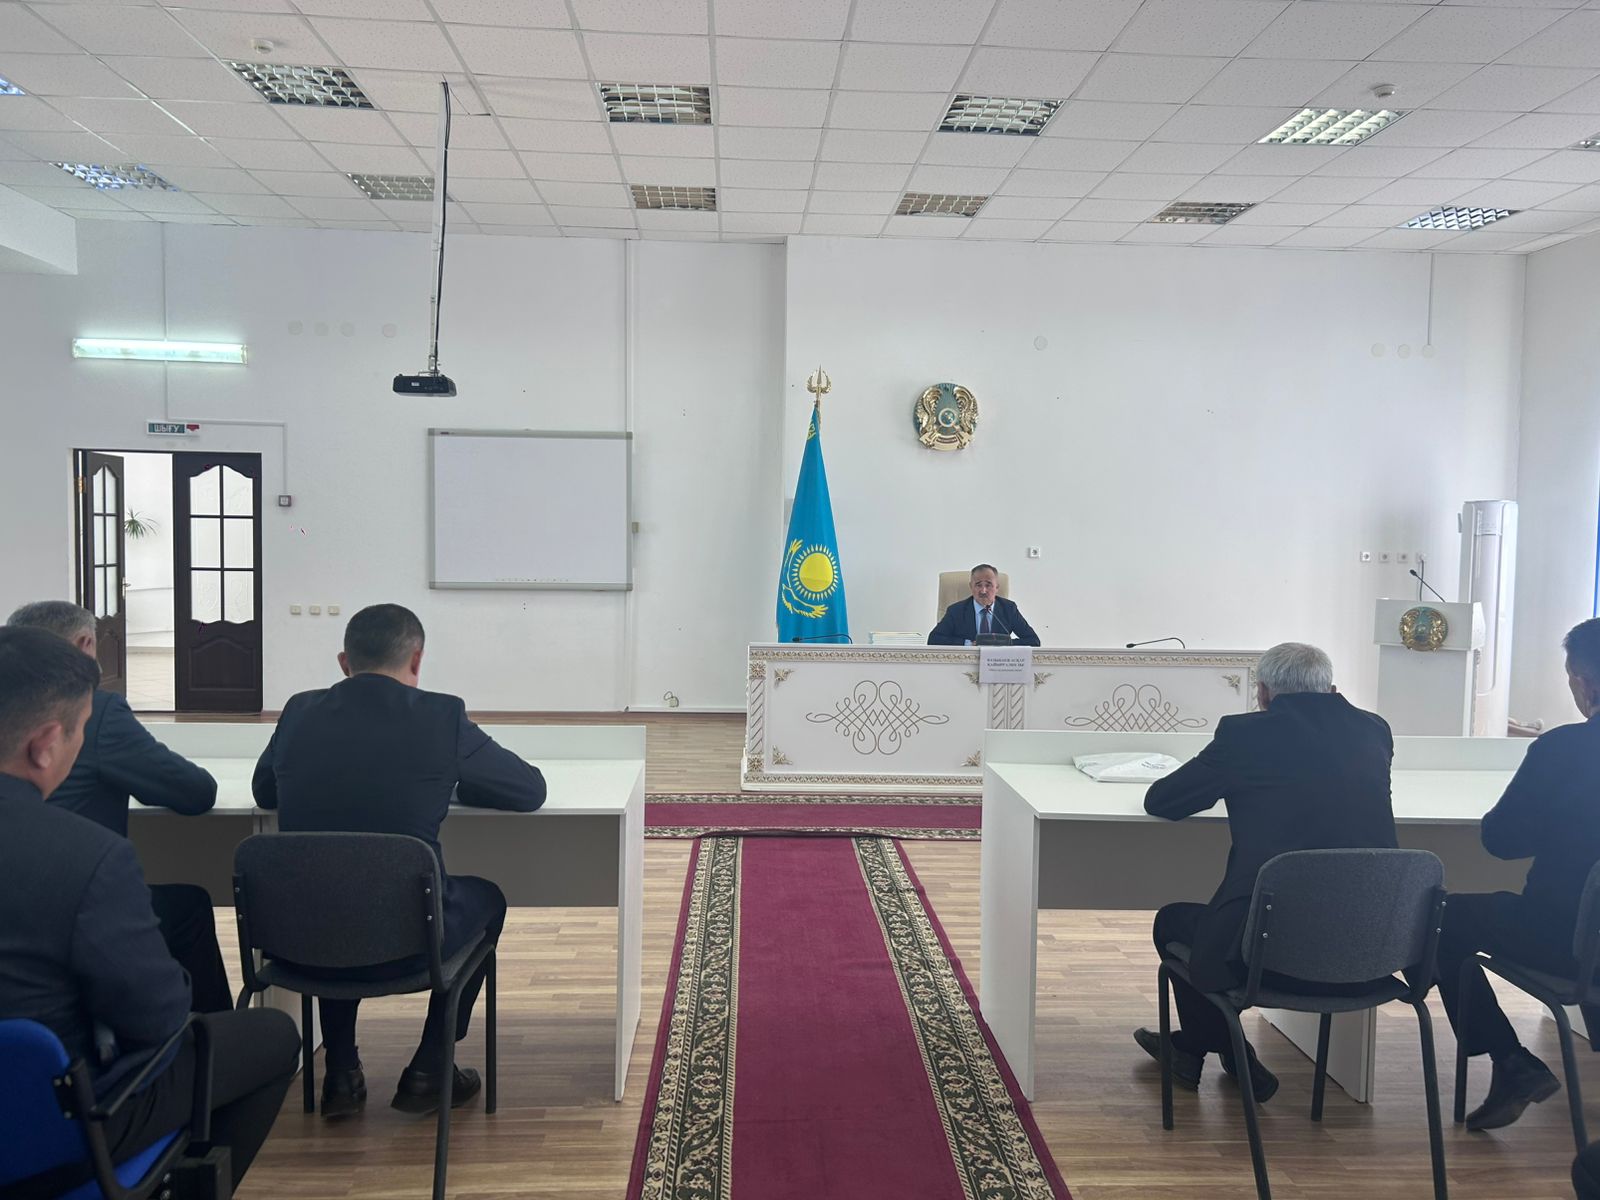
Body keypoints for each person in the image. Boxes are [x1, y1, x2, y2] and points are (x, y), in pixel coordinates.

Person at [0, 626, 298, 1195]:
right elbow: (159, 1021)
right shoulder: (88, 858)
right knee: (270, 1036)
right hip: (58, 1133)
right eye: (80, 732)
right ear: (45, 745)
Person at [252, 603, 546, 1118]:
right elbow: (527, 790)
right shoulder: (442, 715)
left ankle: (341, 1072)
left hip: (299, 940)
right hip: (412, 942)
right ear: (417, 658)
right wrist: (455, 779)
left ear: (344, 663)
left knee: (332, 891)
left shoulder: (298, 710)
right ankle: (431, 1067)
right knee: (489, 899)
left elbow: (264, 791)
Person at [1131, 642, 1398, 1102]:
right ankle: (1201, 1051)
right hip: (1367, 950)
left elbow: (1164, 801)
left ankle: (1218, 1050)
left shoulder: (1244, 735)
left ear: (1263, 693)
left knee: (1172, 921)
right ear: (1332, 689)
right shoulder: (1374, 729)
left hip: (1269, 953)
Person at [6, 601, 231, 1014]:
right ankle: (215, 1037)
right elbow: (194, 792)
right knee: (188, 908)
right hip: (69, 926)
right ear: (46, 744)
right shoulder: (95, 712)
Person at [1434, 617, 1600, 1131]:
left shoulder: (1562, 749)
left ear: (1582, 682)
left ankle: (1511, 1062)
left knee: (1441, 916)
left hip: (1562, 939)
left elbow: (1501, 841)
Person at [928, 563, 1041, 646]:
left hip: (998, 664)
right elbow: (934, 639)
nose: (983, 591)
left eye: (988, 585)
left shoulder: (1009, 608)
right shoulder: (956, 611)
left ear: (997, 587)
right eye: (978, 585)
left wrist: (1003, 644)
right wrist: (968, 644)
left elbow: (1033, 641)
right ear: (971, 587)